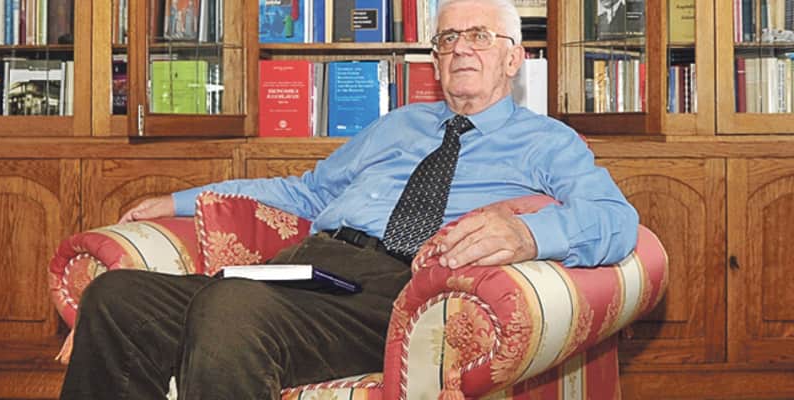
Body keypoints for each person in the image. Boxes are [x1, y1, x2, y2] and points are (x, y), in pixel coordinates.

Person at [59, 0, 639, 398]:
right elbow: (306, 191)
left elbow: (616, 220)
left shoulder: (546, 141)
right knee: (117, 296)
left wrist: (529, 235)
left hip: (394, 291)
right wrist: (182, 200)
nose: (462, 48)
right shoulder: (398, 125)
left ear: (513, 58)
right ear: (436, 59)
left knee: (233, 307)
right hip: (305, 270)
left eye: (480, 36)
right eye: (448, 38)